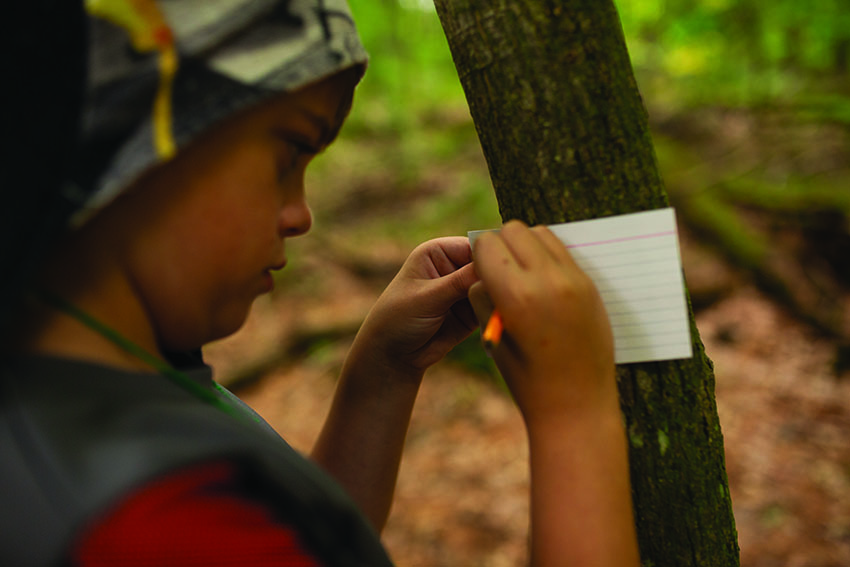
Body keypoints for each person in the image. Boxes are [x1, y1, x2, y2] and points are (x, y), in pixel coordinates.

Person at [1, 0, 639, 565]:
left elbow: (299, 545)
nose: (300, 214)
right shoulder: (149, 528)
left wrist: (381, 374)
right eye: (287, 156)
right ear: (141, 137)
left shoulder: (98, 378)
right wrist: (574, 419)